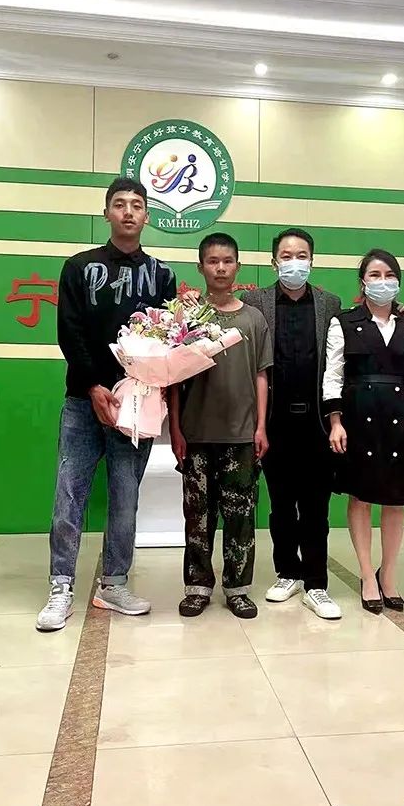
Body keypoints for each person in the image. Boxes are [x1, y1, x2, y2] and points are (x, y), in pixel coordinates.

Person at [36, 177, 177, 632]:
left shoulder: (162, 275)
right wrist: (95, 385)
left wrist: (147, 390)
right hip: (83, 401)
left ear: (147, 216)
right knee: (69, 494)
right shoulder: (78, 267)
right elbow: (69, 332)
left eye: (137, 205)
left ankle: (114, 584)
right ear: (106, 214)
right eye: (120, 204)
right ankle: (61, 586)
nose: (128, 212)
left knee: (125, 497)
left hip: (135, 405)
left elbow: (167, 342)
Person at [324, 248, 404, 614]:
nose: (383, 282)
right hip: (358, 418)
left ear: (399, 282)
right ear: (362, 282)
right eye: (375, 275)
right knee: (360, 497)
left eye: (389, 275)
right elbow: (333, 375)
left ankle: (388, 574)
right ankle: (366, 574)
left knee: (396, 498)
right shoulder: (344, 322)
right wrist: (335, 421)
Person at [169, 232, 273, 619]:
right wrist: (176, 429)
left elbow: (261, 375)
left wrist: (260, 427)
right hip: (196, 434)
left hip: (241, 435)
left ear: (238, 267)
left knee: (241, 516)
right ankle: (197, 587)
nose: (221, 268)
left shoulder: (253, 319)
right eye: (213, 261)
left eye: (227, 261)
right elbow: (173, 378)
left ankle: (238, 589)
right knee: (198, 516)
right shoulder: (188, 319)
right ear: (201, 268)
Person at [243, 228, 343, 620]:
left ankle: (317, 584)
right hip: (274, 420)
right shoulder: (256, 302)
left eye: (302, 256)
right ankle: (288, 572)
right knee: (281, 504)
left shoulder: (329, 304)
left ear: (312, 261)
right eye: (287, 256)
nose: (294, 262)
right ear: (274, 262)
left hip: (318, 422)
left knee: (316, 506)